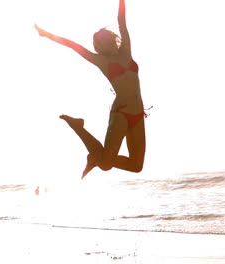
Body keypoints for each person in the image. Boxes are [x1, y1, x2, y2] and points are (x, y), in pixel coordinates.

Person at [35, 0, 146, 179]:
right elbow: (73, 45)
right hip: (121, 113)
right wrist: (46, 34)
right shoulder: (101, 61)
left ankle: (95, 158)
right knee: (105, 164)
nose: (102, 44)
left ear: (112, 39)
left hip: (138, 113)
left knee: (136, 165)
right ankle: (78, 127)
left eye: (104, 40)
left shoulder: (126, 51)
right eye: (98, 43)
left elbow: (121, 21)